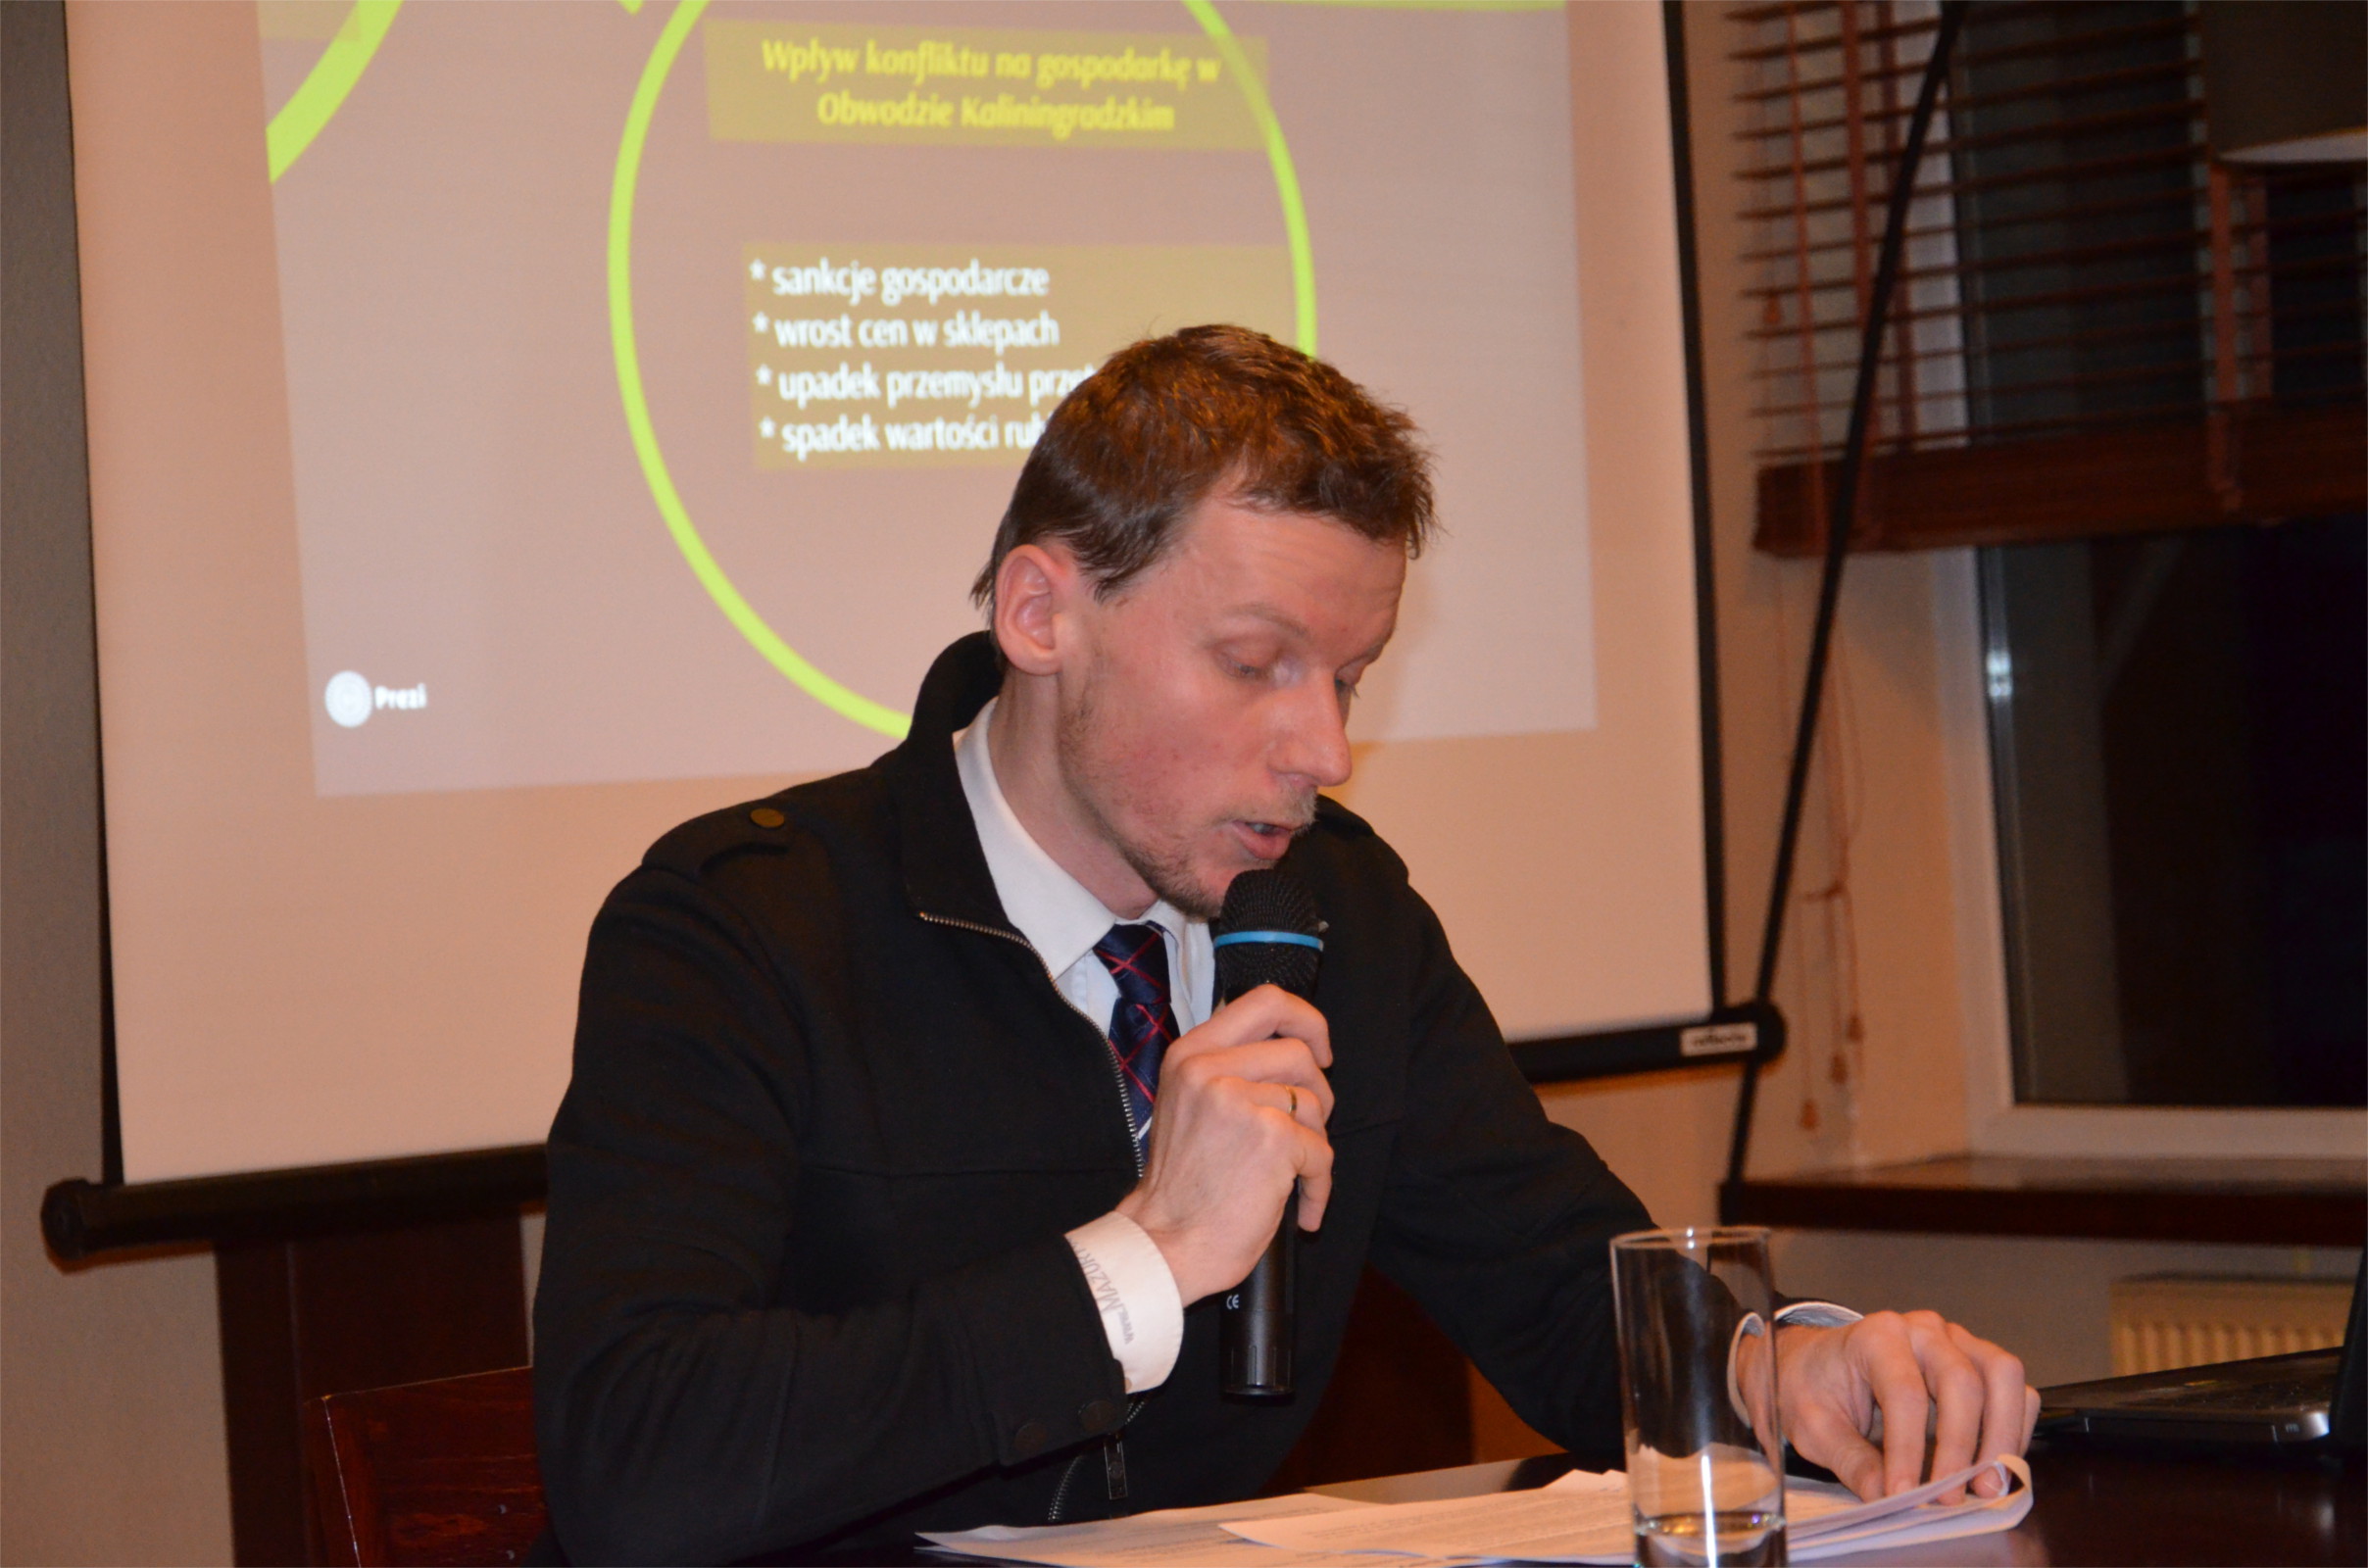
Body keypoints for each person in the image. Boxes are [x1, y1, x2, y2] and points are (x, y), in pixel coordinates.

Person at [532, 325, 2037, 1564]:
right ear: (1042, 613)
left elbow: (1558, 1293)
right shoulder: (740, 926)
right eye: (1256, 665)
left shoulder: (1337, 914)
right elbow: (637, 1466)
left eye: (1350, 677)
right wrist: (1146, 1256)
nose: (1324, 750)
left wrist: (1778, 1366)